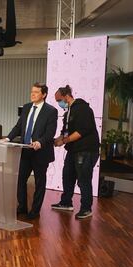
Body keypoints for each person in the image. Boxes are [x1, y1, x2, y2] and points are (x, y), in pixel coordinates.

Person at [2, 82, 58, 219]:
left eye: (36, 92)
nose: (32, 94)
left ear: (44, 95)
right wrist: (8, 138)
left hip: (40, 152)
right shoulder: (26, 108)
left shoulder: (51, 111)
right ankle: (22, 207)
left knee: (40, 182)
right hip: (25, 150)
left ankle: (35, 210)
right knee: (20, 180)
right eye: (32, 91)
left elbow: (50, 133)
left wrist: (40, 142)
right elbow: (18, 126)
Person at [51, 85, 100, 219]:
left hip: (86, 150)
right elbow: (64, 133)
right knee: (67, 175)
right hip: (73, 150)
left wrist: (64, 141)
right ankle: (66, 202)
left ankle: (86, 208)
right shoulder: (68, 113)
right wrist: (54, 140)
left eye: (59, 100)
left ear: (66, 96)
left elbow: (81, 131)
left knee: (83, 179)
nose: (58, 103)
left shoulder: (82, 109)